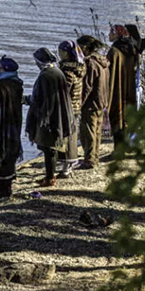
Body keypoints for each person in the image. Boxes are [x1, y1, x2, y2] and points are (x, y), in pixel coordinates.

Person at [25, 48, 74, 188]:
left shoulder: (45, 75)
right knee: (52, 148)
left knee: (48, 149)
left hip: (48, 117)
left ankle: (50, 178)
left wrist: (25, 100)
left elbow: (37, 98)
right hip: (59, 114)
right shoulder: (58, 72)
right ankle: (50, 175)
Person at [0, 56, 25, 200]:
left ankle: (2, 189)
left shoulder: (1, 88)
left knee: (1, 154)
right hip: (15, 126)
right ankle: (7, 187)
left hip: (4, 127)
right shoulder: (16, 84)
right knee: (11, 154)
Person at [76, 35, 110, 169]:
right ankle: (94, 157)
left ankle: (89, 160)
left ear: (84, 47)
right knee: (96, 131)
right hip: (101, 101)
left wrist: (79, 103)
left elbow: (87, 86)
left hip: (91, 103)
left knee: (88, 132)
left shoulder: (89, 63)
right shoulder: (103, 62)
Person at [56, 40, 86, 178]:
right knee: (72, 135)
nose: (59, 53)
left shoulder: (67, 71)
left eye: (61, 51)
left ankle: (66, 166)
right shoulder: (78, 68)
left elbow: (64, 91)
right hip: (75, 107)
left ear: (66, 54)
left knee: (66, 137)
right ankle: (69, 163)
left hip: (67, 108)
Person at [107, 23, 139, 148]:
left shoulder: (114, 51)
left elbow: (109, 71)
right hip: (129, 90)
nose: (109, 34)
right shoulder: (133, 49)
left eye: (111, 32)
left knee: (116, 118)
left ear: (117, 35)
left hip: (117, 90)